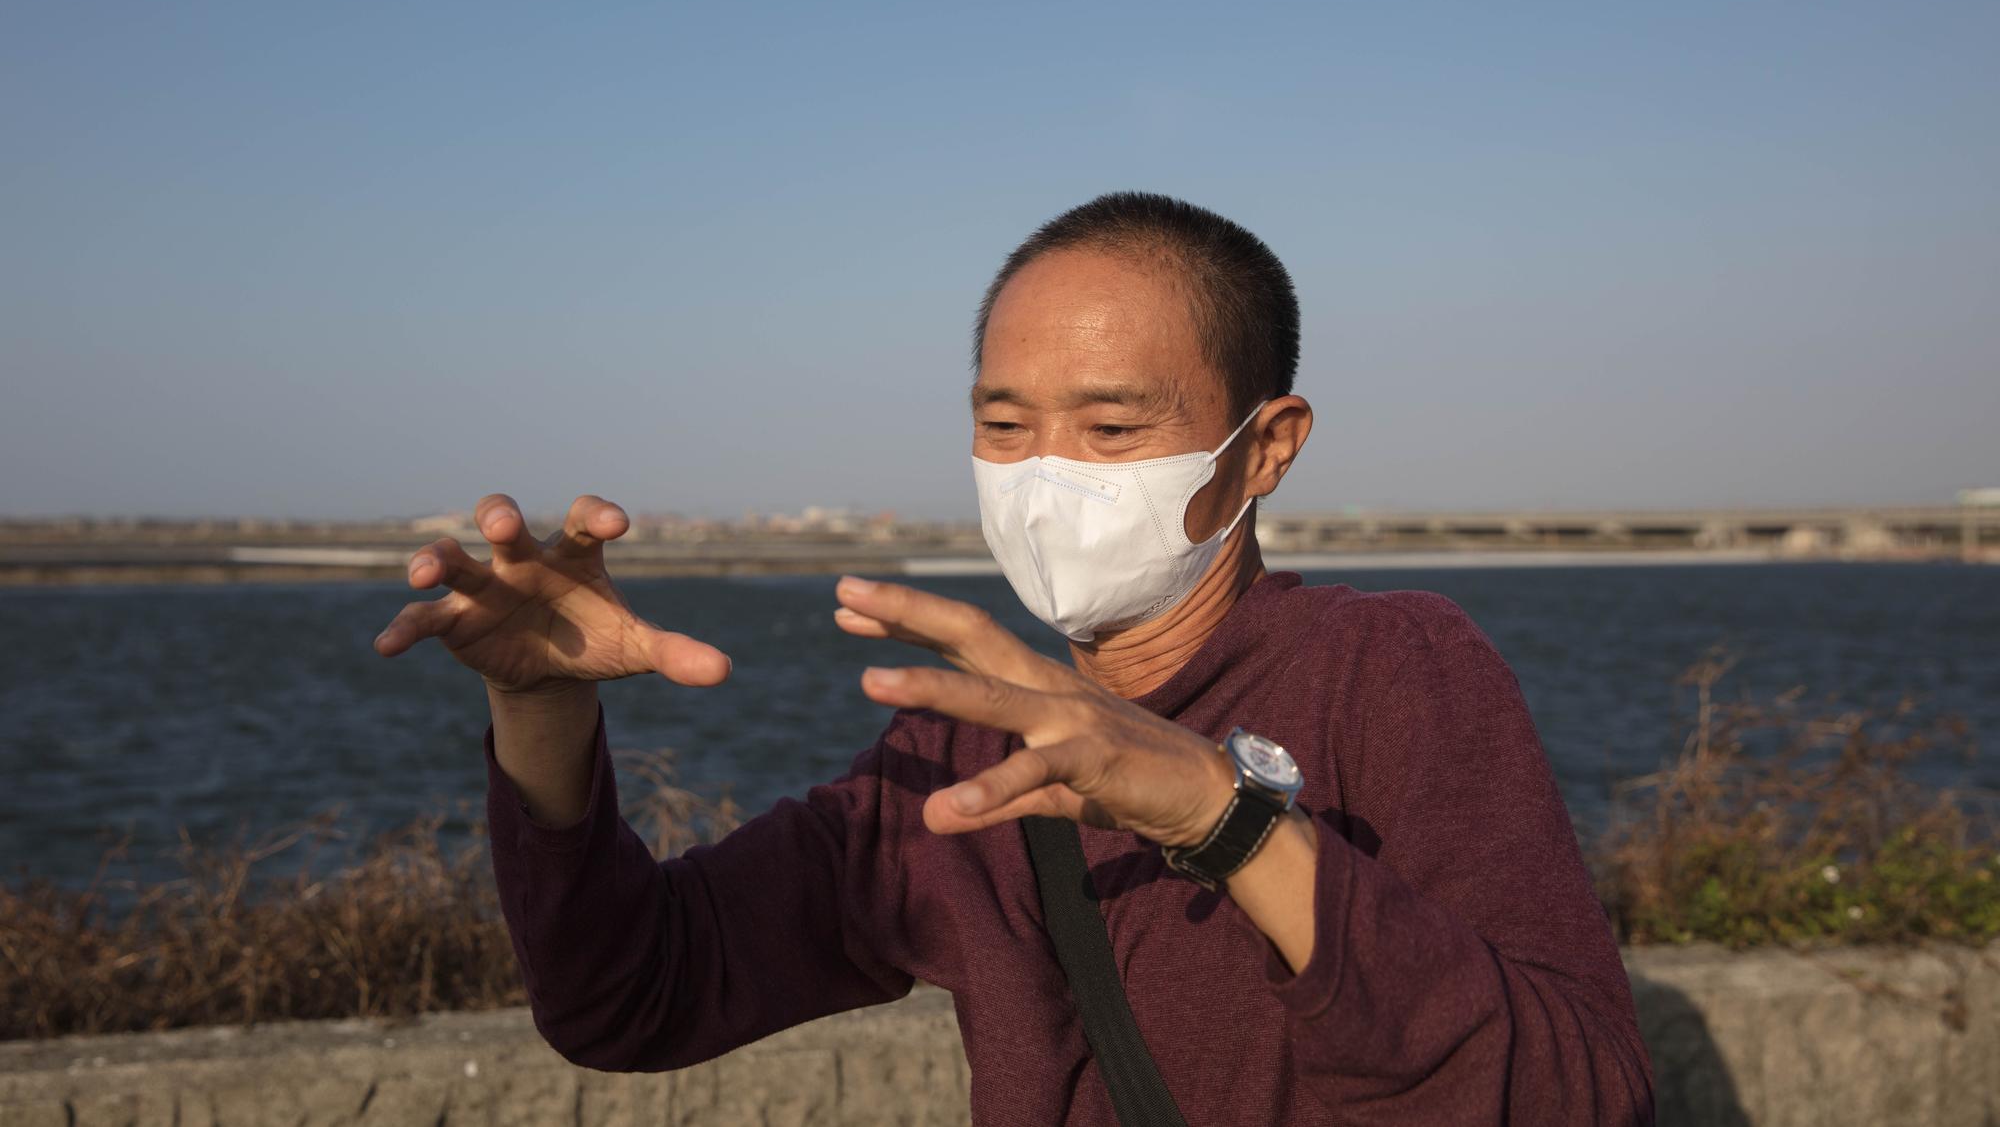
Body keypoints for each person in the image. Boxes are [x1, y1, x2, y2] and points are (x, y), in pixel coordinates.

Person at [374, 193, 1655, 1124]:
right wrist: (537, 708)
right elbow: (630, 997)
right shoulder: (953, 754)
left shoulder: (1394, 669)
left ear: (1266, 448)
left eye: (1108, 425)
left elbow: (1577, 1092)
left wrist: (1226, 818)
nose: (1044, 474)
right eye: (1003, 422)